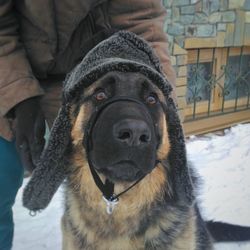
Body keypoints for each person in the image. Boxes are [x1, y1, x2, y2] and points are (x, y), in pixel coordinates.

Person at [0, 0, 176, 249]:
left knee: (112, 194)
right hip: (6, 73)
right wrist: (18, 96)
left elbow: (142, 25)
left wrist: (157, 108)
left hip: (95, 79)